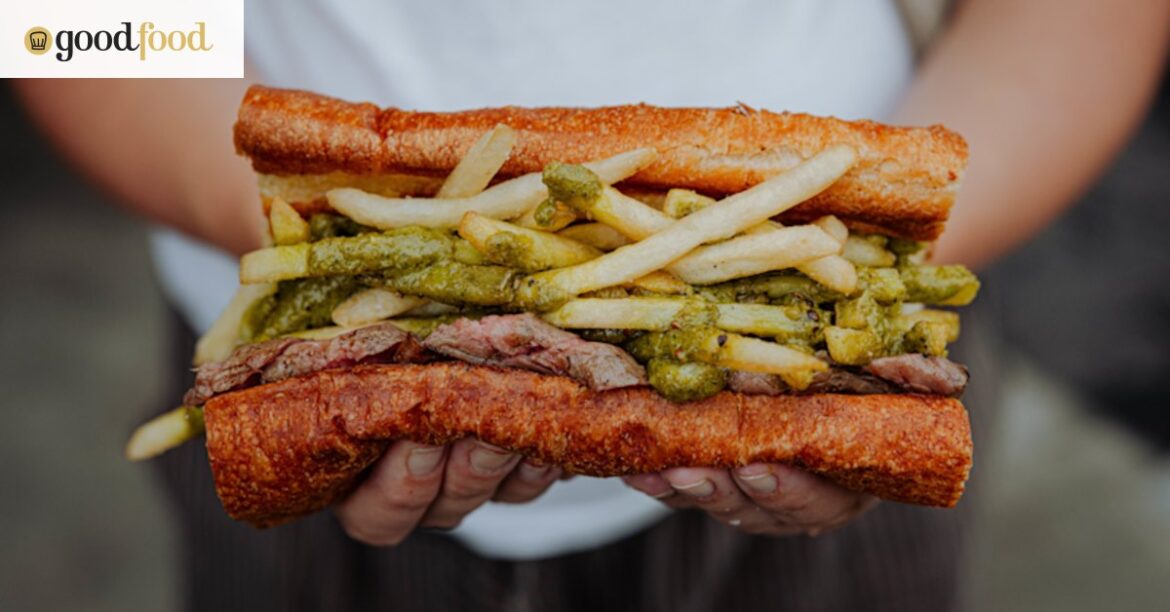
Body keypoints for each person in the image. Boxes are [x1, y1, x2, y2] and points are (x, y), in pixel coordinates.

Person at [15, 1, 1170, 609]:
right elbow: (85, 17)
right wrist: (342, 260)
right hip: (293, 345)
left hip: (845, 326)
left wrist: (861, 279)